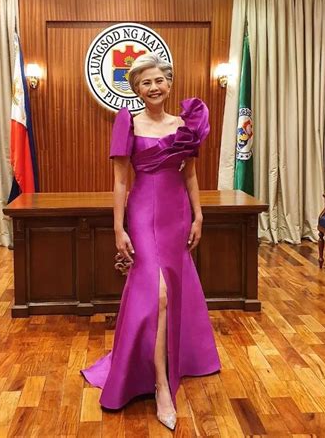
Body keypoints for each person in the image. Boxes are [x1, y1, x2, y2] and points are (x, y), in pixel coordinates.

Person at [81, 53, 221, 431]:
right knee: (157, 294)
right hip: (142, 213)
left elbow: (190, 175)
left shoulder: (185, 124)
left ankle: (166, 363)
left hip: (176, 213)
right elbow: (121, 181)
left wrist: (199, 215)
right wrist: (118, 227)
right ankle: (161, 385)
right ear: (136, 90)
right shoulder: (127, 122)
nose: (154, 87)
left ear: (168, 83)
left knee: (170, 292)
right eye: (145, 83)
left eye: (159, 80)